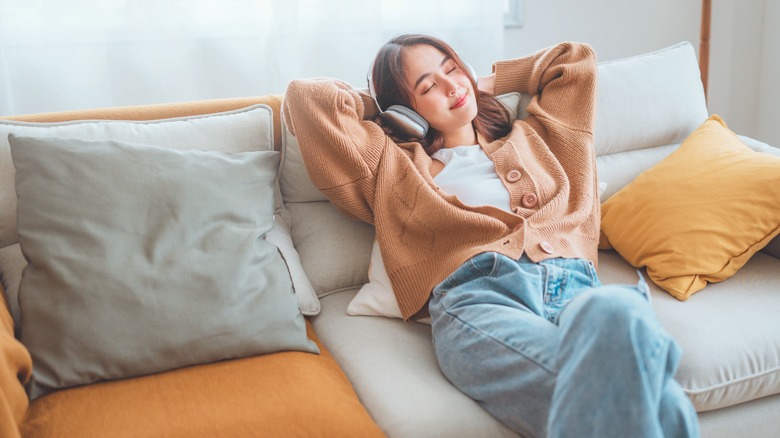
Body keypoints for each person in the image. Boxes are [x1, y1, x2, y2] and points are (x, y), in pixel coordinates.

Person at [282, 34, 699, 438]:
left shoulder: (542, 137)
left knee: (616, 311)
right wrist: (382, 110)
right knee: (659, 397)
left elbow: (573, 59)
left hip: (575, 288)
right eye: (428, 86)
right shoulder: (394, 168)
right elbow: (307, 99)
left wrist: (485, 82)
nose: (451, 86)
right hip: (479, 298)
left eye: (452, 69)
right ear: (406, 108)